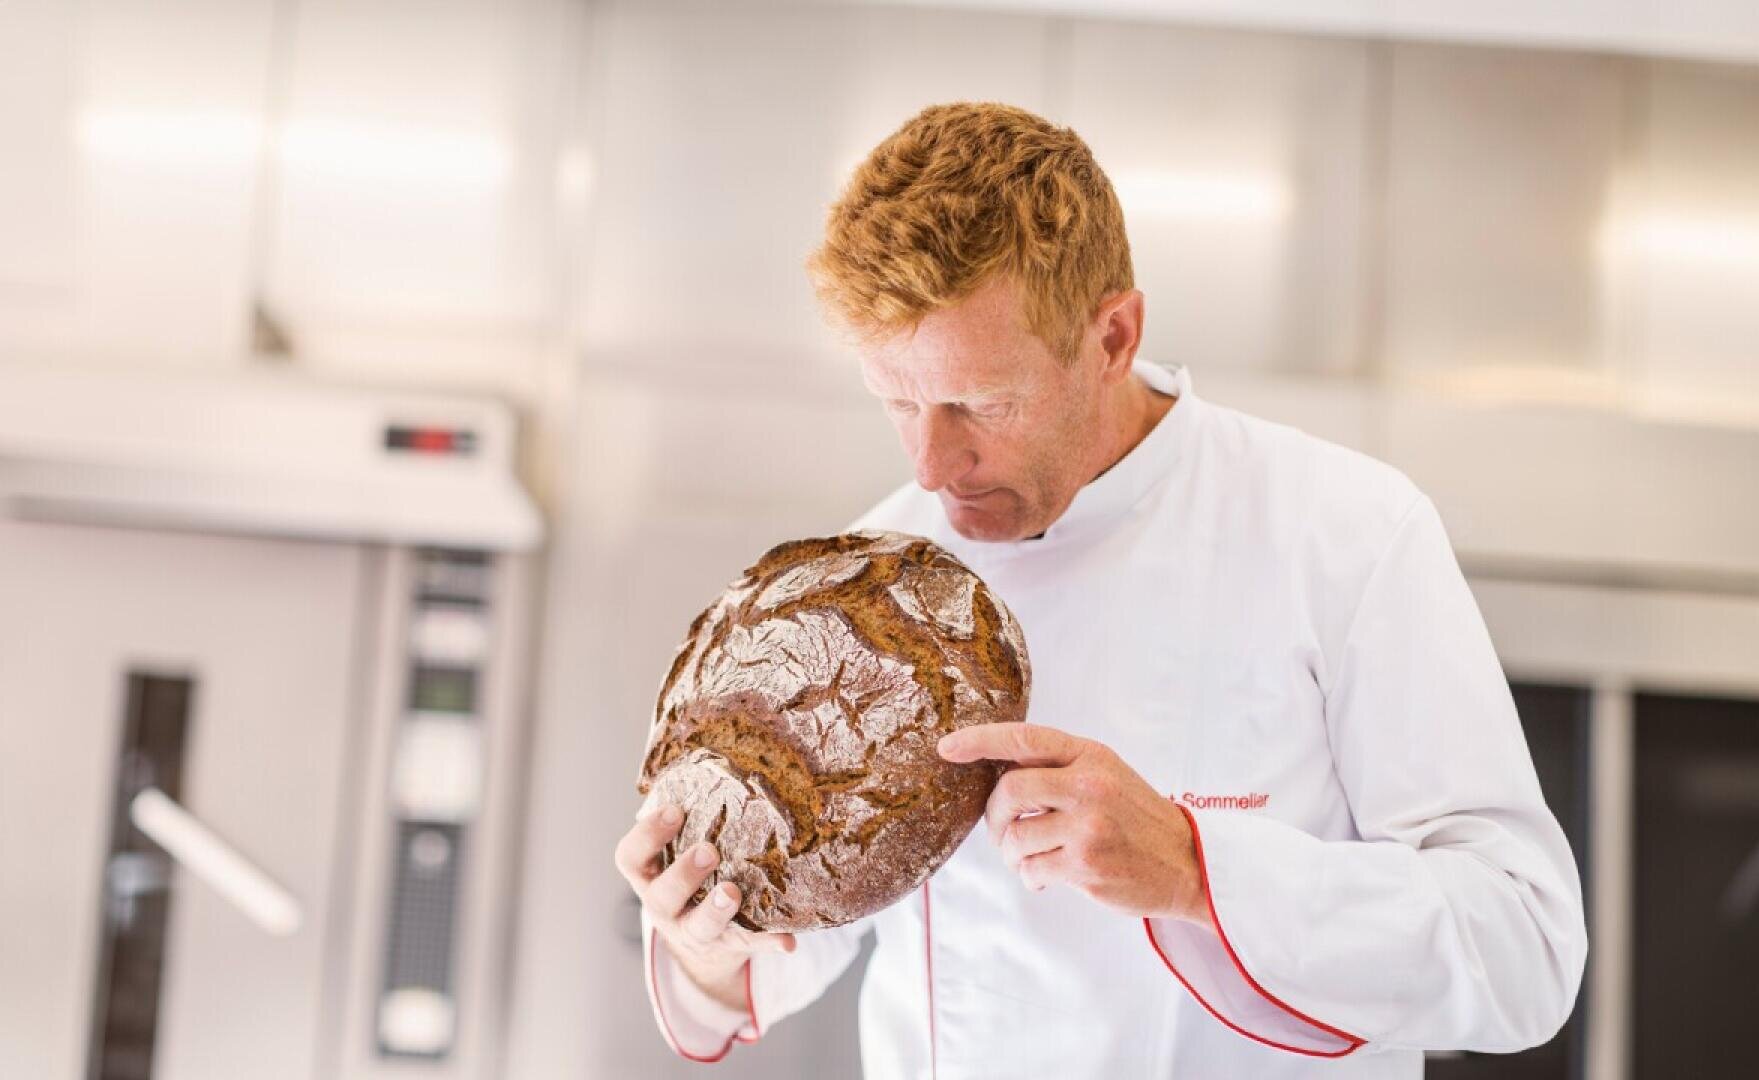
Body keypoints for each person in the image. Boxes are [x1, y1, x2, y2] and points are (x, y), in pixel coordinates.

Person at [614, 101, 1587, 1078]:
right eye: (897, 401)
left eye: (981, 403)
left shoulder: (1344, 533)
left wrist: (1196, 867)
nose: (932, 464)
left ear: (1113, 336)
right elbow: (772, 958)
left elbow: (1524, 955)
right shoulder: (879, 577)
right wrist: (703, 939)